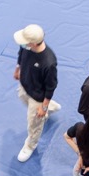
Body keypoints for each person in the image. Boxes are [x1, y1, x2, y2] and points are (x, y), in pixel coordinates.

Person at [12, 24, 60, 162]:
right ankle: (51, 107)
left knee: (34, 123)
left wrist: (43, 106)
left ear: (33, 43)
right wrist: (17, 69)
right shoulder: (26, 46)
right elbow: (21, 55)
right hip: (25, 86)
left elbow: (51, 86)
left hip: (38, 97)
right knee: (22, 98)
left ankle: (30, 145)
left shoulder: (48, 62)